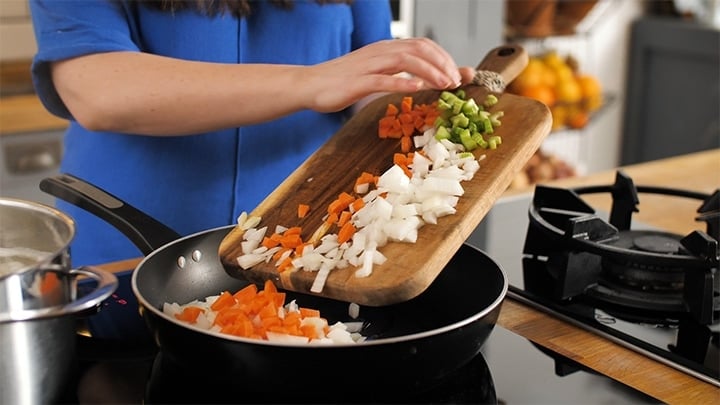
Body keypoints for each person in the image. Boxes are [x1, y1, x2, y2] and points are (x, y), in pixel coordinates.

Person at [29, 0, 476, 266]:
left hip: (308, 244)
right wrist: (311, 82)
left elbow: (366, 79)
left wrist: (416, 100)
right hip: (128, 250)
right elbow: (97, 89)